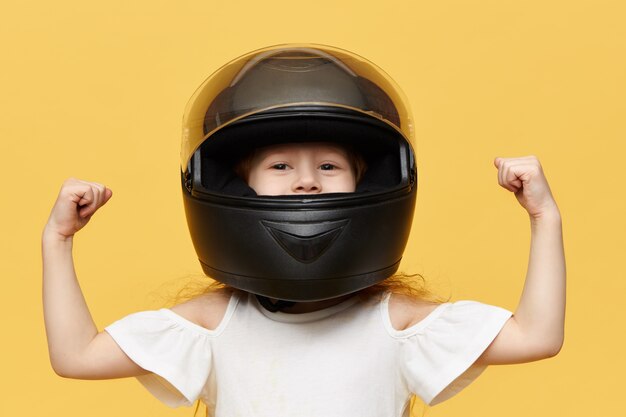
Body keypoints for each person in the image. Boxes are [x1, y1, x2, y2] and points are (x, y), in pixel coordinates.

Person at [42, 45, 565, 417]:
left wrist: (544, 218)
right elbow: (77, 356)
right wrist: (58, 242)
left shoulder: (394, 322)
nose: (307, 182)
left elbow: (537, 336)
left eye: (330, 167)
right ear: (238, 186)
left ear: (369, 183)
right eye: (280, 167)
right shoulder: (217, 321)